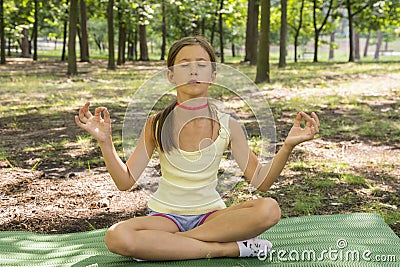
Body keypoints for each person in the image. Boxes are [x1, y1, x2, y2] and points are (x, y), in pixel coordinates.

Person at [75, 36, 320, 261]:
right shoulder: (156, 124)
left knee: (269, 208)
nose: (193, 69)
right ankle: (231, 248)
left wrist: (287, 146)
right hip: (165, 218)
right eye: (184, 64)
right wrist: (105, 143)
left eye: (201, 64)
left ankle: (166, 246)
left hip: (212, 216)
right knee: (116, 236)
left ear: (213, 75)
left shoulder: (228, 125)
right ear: (171, 75)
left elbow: (261, 182)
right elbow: (126, 181)